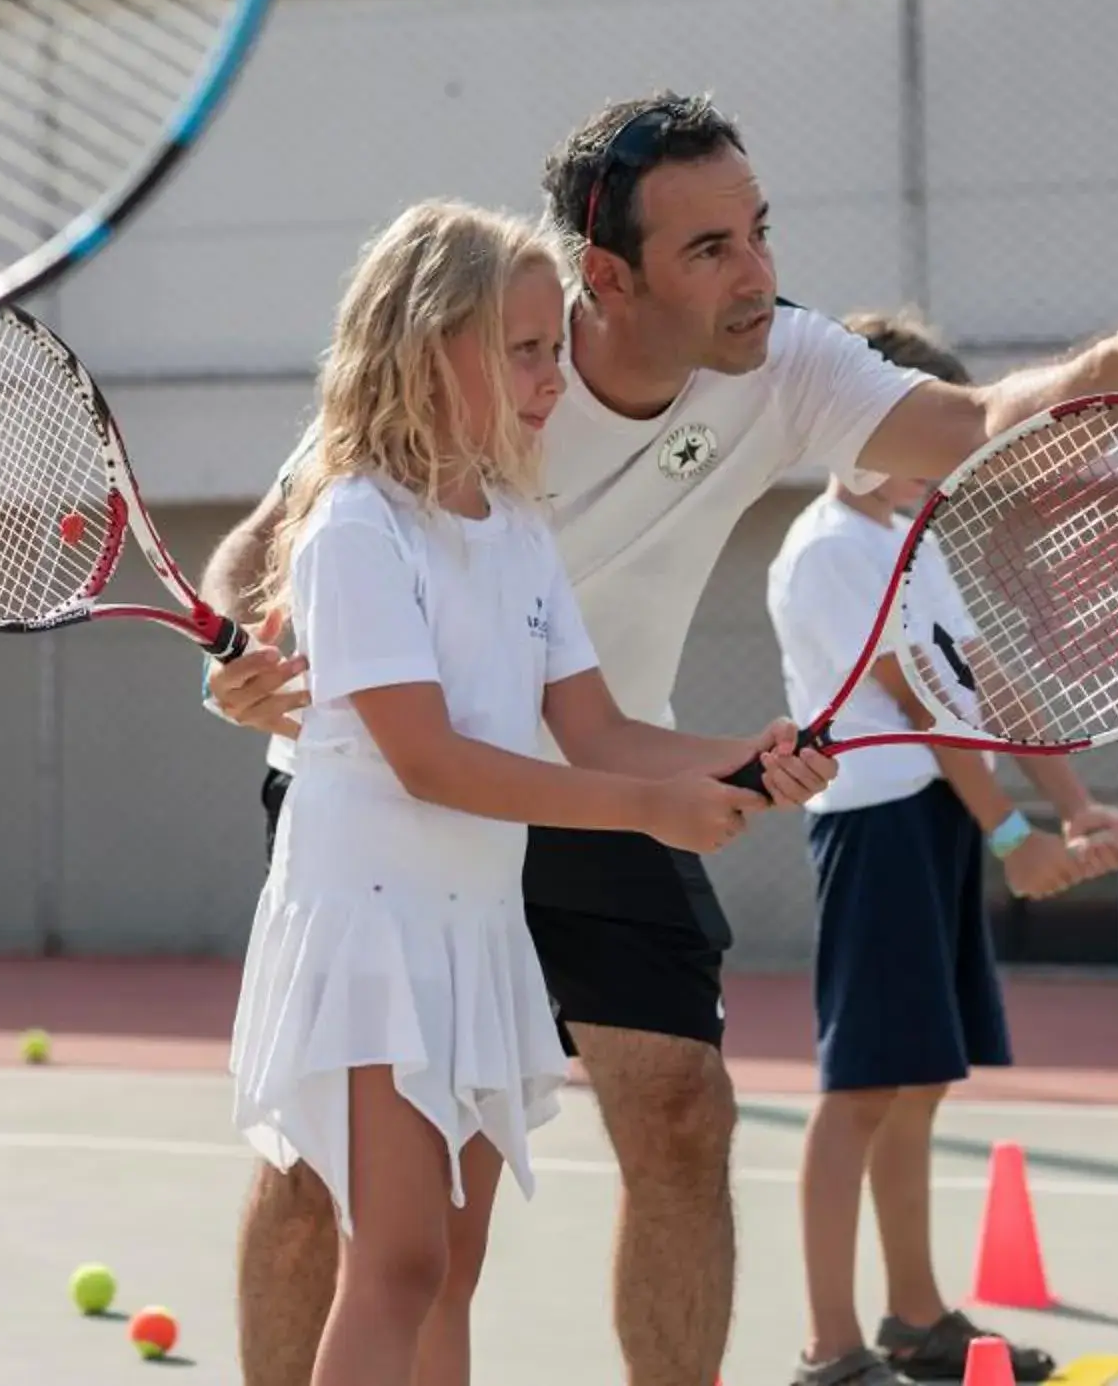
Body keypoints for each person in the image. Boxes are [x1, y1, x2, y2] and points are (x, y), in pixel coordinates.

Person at [203, 91, 1118, 1386]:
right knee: (339, 1190)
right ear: (610, 275)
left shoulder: (782, 362)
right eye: (709, 249)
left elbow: (979, 422)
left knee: (674, 1109)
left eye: (758, 230)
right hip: (390, 805)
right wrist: (255, 662)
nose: (756, 271)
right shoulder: (465, 368)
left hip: (601, 760)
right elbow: (264, 555)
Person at [230, 199, 795, 1386]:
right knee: (393, 1262)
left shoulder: (518, 527)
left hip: (477, 929)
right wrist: (652, 812)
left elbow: (594, 728)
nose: (555, 376)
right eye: (527, 349)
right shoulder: (353, 527)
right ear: (430, 348)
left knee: (449, 1261)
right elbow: (427, 758)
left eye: (554, 344)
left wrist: (739, 758)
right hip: (373, 925)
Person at [770, 311, 1118, 1386]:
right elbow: (925, 705)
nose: (938, 465)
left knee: (918, 1078)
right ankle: (830, 1350)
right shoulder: (832, 550)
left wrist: (1077, 805)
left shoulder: (907, 538)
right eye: (918, 439)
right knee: (861, 1090)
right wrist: (1016, 832)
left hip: (931, 820)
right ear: (854, 428)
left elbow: (988, 684)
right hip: (874, 827)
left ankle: (917, 1317)